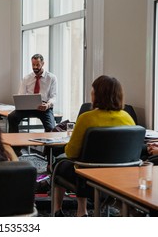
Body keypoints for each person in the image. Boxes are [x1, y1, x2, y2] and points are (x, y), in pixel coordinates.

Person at [52, 75, 135, 217]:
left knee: (59, 163)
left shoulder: (86, 118)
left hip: (86, 177)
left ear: (97, 94)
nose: (91, 93)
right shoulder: (128, 118)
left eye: (93, 90)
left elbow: (71, 152)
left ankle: (61, 210)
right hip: (119, 177)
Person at [8, 53, 57, 133]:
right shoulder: (27, 78)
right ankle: (15, 145)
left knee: (50, 127)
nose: (35, 67)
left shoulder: (51, 78)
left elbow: (53, 97)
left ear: (43, 64)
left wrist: (47, 105)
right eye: (33, 65)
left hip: (44, 107)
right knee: (12, 117)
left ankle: (48, 145)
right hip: (28, 107)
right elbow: (21, 95)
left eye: (37, 65)